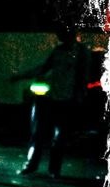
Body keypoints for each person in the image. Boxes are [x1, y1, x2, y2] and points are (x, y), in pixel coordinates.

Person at [10, 27, 91, 178]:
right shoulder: (63, 50)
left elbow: (82, 76)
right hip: (54, 98)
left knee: (54, 136)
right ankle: (45, 168)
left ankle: (45, 168)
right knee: (45, 135)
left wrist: (79, 96)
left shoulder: (79, 52)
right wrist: (23, 76)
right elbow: (44, 68)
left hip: (63, 99)